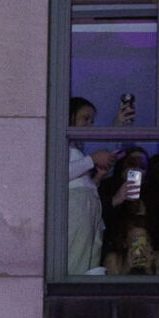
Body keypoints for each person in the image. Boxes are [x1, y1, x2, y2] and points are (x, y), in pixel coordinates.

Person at [64, 100, 105, 275]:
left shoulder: (76, 148)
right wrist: (92, 160)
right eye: (85, 118)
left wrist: (98, 176)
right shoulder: (60, 145)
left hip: (89, 209)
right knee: (77, 257)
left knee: (89, 259)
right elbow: (59, 174)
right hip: (77, 208)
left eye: (92, 121)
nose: (89, 125)